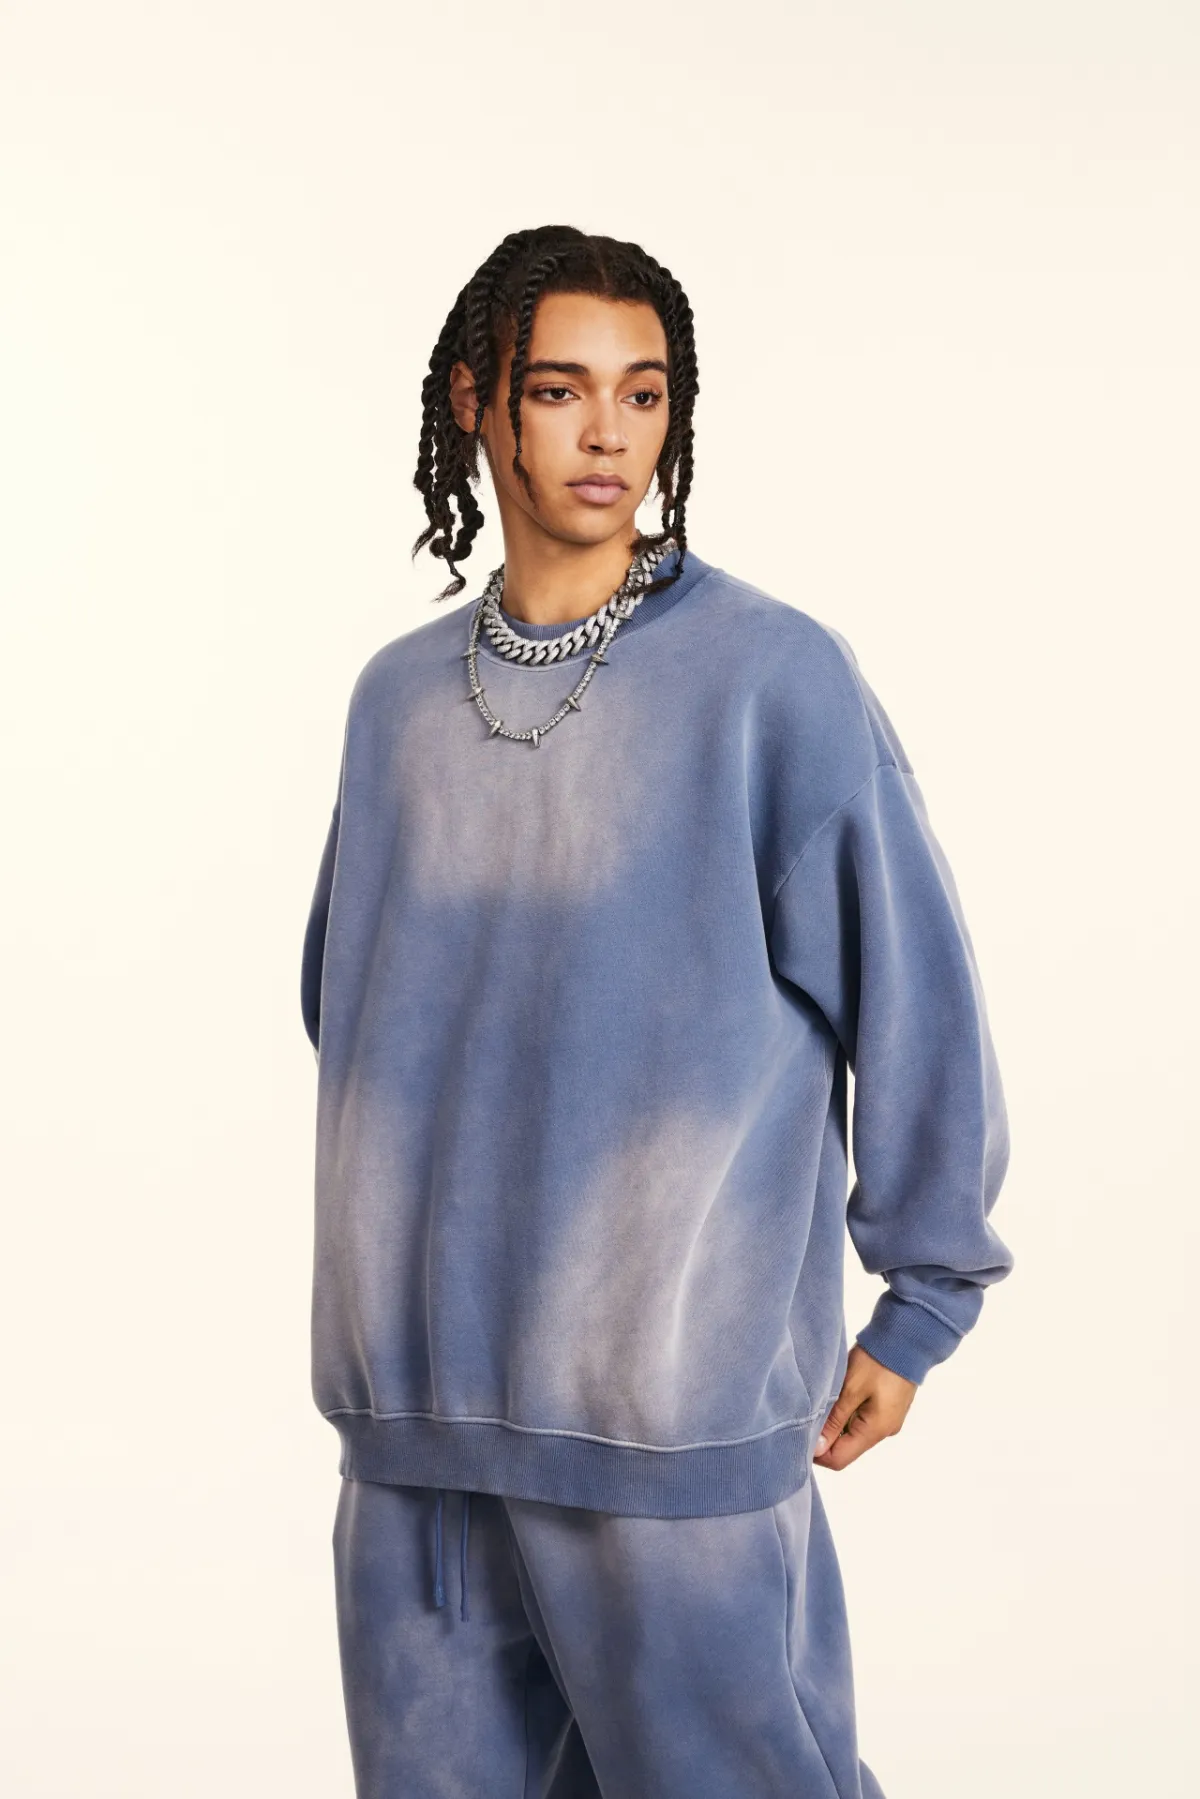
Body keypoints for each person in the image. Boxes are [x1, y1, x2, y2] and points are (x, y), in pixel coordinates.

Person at [300, 223, 1014, 1799]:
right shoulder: (397, 701)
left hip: (669, 1427)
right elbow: (349, 1012)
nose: (609, 431)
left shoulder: (772, 678)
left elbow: (913, 992)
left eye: (644, 392)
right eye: (562, 389)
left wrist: (923, 1297)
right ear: (479, 402)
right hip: (415, 1434)